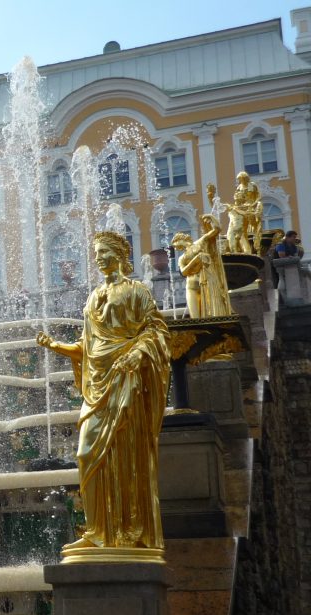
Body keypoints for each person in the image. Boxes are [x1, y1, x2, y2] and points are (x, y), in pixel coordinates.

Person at [36, 230, 170, 553]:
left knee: (125, 458)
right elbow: (88, 346)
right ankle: (97, 529)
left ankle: (126, 531)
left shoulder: (137, 292)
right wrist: (57, 346)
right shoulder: (93, 298)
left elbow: (157, 332)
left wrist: (138, 352)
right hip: (97, 387)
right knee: (85, 455)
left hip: (127, 383)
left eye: (103, 252)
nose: (98, 258)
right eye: (96, 253)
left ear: (119, 256)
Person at [172, 214, 232, 318]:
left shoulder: (201, 242)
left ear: (181, 239)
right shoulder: (181, 258)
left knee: (213, 314)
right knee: (195, 318)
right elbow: (184, 272)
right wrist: (196, 260)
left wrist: (211, 217)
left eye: (175, 243)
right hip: (191, 286)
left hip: (207, 281)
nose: (175, 248)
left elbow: (217, 230)